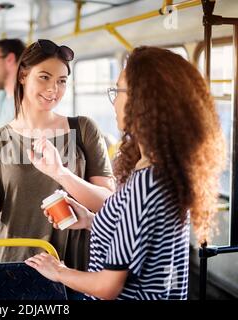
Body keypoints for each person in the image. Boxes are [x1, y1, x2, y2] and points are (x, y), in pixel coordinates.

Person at [24, 46, 226, 300]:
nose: (115, 100)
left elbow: (108, 286)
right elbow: (138, 230)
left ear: (142, 102)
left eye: (119, 90)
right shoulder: (164, 171)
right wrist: (90, 220)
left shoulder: (146, 185)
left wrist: (58, 271)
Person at [0, 39, 116, 272]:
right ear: (22, 76)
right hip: (16, 267)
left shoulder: (84, 129)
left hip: (75, 267)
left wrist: (62, 174)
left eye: (61, 81)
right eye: (44, 77)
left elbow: (108, 203)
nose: (53, 89)